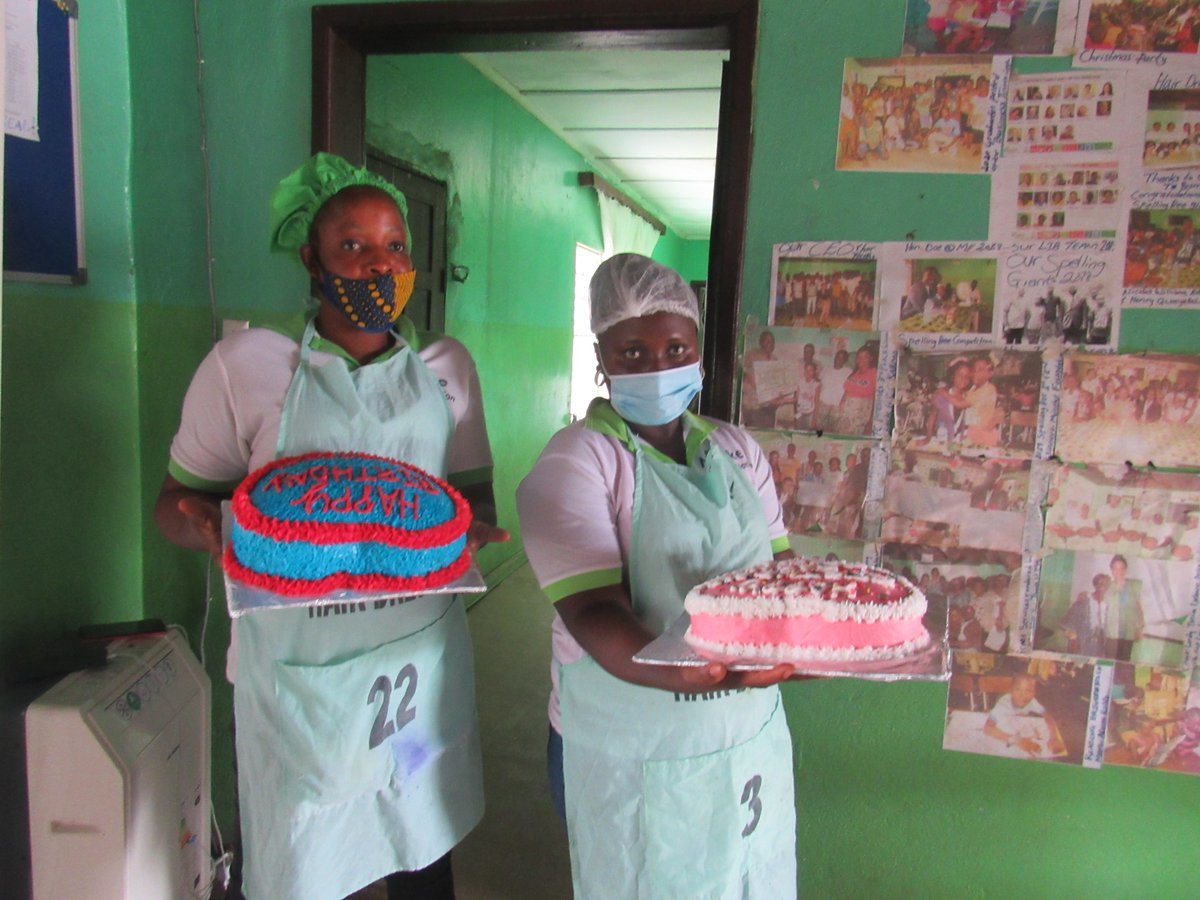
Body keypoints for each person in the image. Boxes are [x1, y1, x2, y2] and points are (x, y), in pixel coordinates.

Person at [155, 153, 508, 900]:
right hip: (295, 682)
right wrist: (214, 530)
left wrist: (471, 534)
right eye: (353, 245)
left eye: (395, 246)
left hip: (414, 673)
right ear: (311, 257)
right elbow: (174, 504)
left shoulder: (447, 371)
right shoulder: (249, 366)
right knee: (298, 863)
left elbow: (474, 504)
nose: (379, 264)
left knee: (421, 859)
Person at [516, 254, 799, 898]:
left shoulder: (735, 451)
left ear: (699, 350)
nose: (659, 366)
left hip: (740, 733)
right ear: (602, 356)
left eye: (676, 347)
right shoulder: (580, 462)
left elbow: (782, 578)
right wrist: (698, 670)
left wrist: (814, 644)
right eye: (634, 353)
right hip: (628, 744)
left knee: (739, 877)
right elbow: (594, 614)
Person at [983, 674, 1066, 758]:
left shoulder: (1032, 702)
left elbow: (1048, 716)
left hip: (1019, 726)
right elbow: (987, 728)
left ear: (1034, 693)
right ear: (1011, 691)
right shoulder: (1003, 703)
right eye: (1018, 689)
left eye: (1029, 691)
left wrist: (1054, 737)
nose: (1023, 695)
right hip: (1004, 729)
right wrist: (1018, 741)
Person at [1061, 573, 1111, 657]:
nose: (1102, 586)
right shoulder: (1084, 601)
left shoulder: (1108, 604)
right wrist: (1073, 638)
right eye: (1100, 583)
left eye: (1106, 584)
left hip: (1101, 646)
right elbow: (1070, 620)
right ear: (1095, 585)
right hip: (1082, 643)